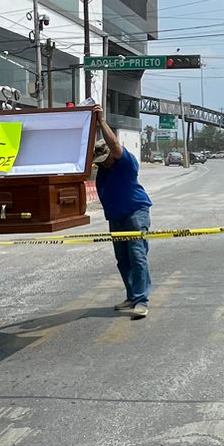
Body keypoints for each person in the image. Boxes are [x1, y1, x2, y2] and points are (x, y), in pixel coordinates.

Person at [93, 105, 153, 319]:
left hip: (135, 213)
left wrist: (101, 121)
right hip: (116, 217)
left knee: (137, 256)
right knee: (123, 259)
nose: (103, 164)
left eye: (105, 160)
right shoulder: (102, 170)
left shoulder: (125, 163)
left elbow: (114, 144)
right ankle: (132, 296)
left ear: (112, 155)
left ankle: (141, 300)